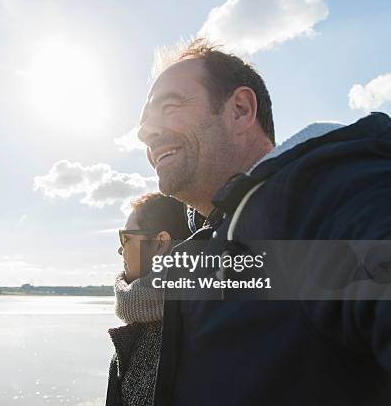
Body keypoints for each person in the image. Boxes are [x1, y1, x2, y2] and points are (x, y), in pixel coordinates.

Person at [137, 38, 391, 405]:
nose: (145, 132)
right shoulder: (215, 242)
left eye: (169, 106)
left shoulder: (325, 190)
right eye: (145, 121)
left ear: (240, 110)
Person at [105, 192, 192, 406]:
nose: (119, 249)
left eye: (125, 238)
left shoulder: (193, 331)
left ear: (161, 243)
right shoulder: (144, 323)